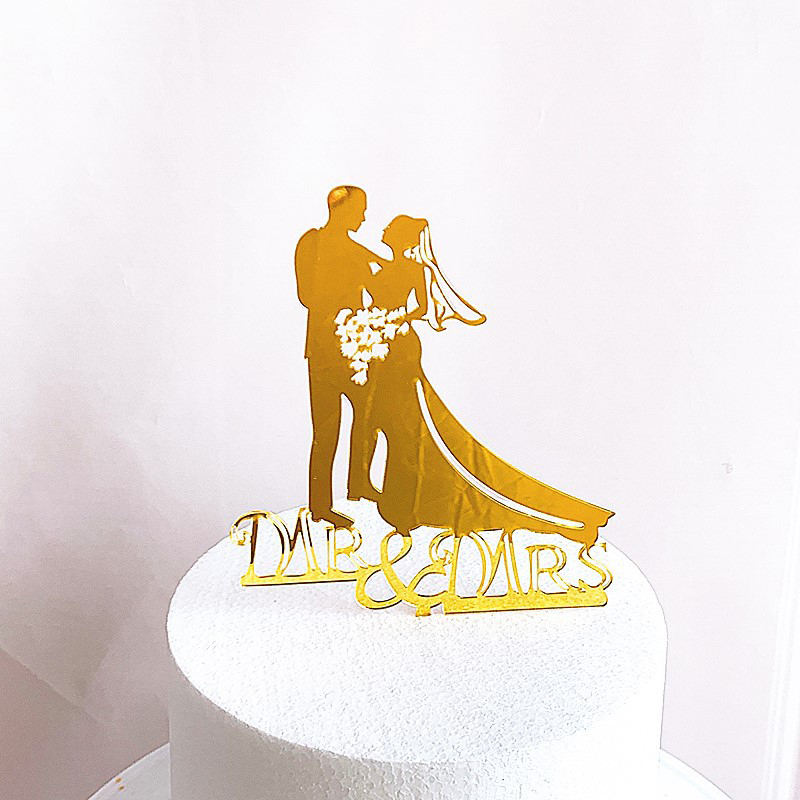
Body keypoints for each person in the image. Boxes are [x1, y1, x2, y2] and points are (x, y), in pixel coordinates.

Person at [351, 214, 614, 546]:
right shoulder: (381, 266)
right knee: (378, 418)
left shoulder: (416, 269)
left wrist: (390, 319)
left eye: (390, 227)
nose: (383, 229)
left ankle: (400, 501)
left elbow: (421, 307)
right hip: (377, 347)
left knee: (404, 425)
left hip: (399, 347)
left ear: (401, 236)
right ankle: (370, 487)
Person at [294, 186, 384, 529]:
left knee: (370, 415)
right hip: (325, 350)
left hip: (355, 349)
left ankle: (358, 484)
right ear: (343, 210)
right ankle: (321, 506)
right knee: (326, 430)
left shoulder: (356, 250)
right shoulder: (313, 243)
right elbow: (307, 295)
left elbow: (381, 282)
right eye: (360, 209)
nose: (364, 217)